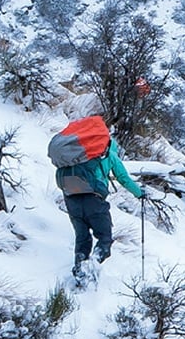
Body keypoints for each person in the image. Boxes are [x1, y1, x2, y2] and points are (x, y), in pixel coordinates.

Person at [49, 110, 140, 275]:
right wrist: (140, 193)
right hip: (94, 200)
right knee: (105, 238)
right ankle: (92, 267)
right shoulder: (110, 157)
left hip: (71, 199)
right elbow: (124, 178)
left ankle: (79, 271)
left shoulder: (79, 157)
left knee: (82, 239)